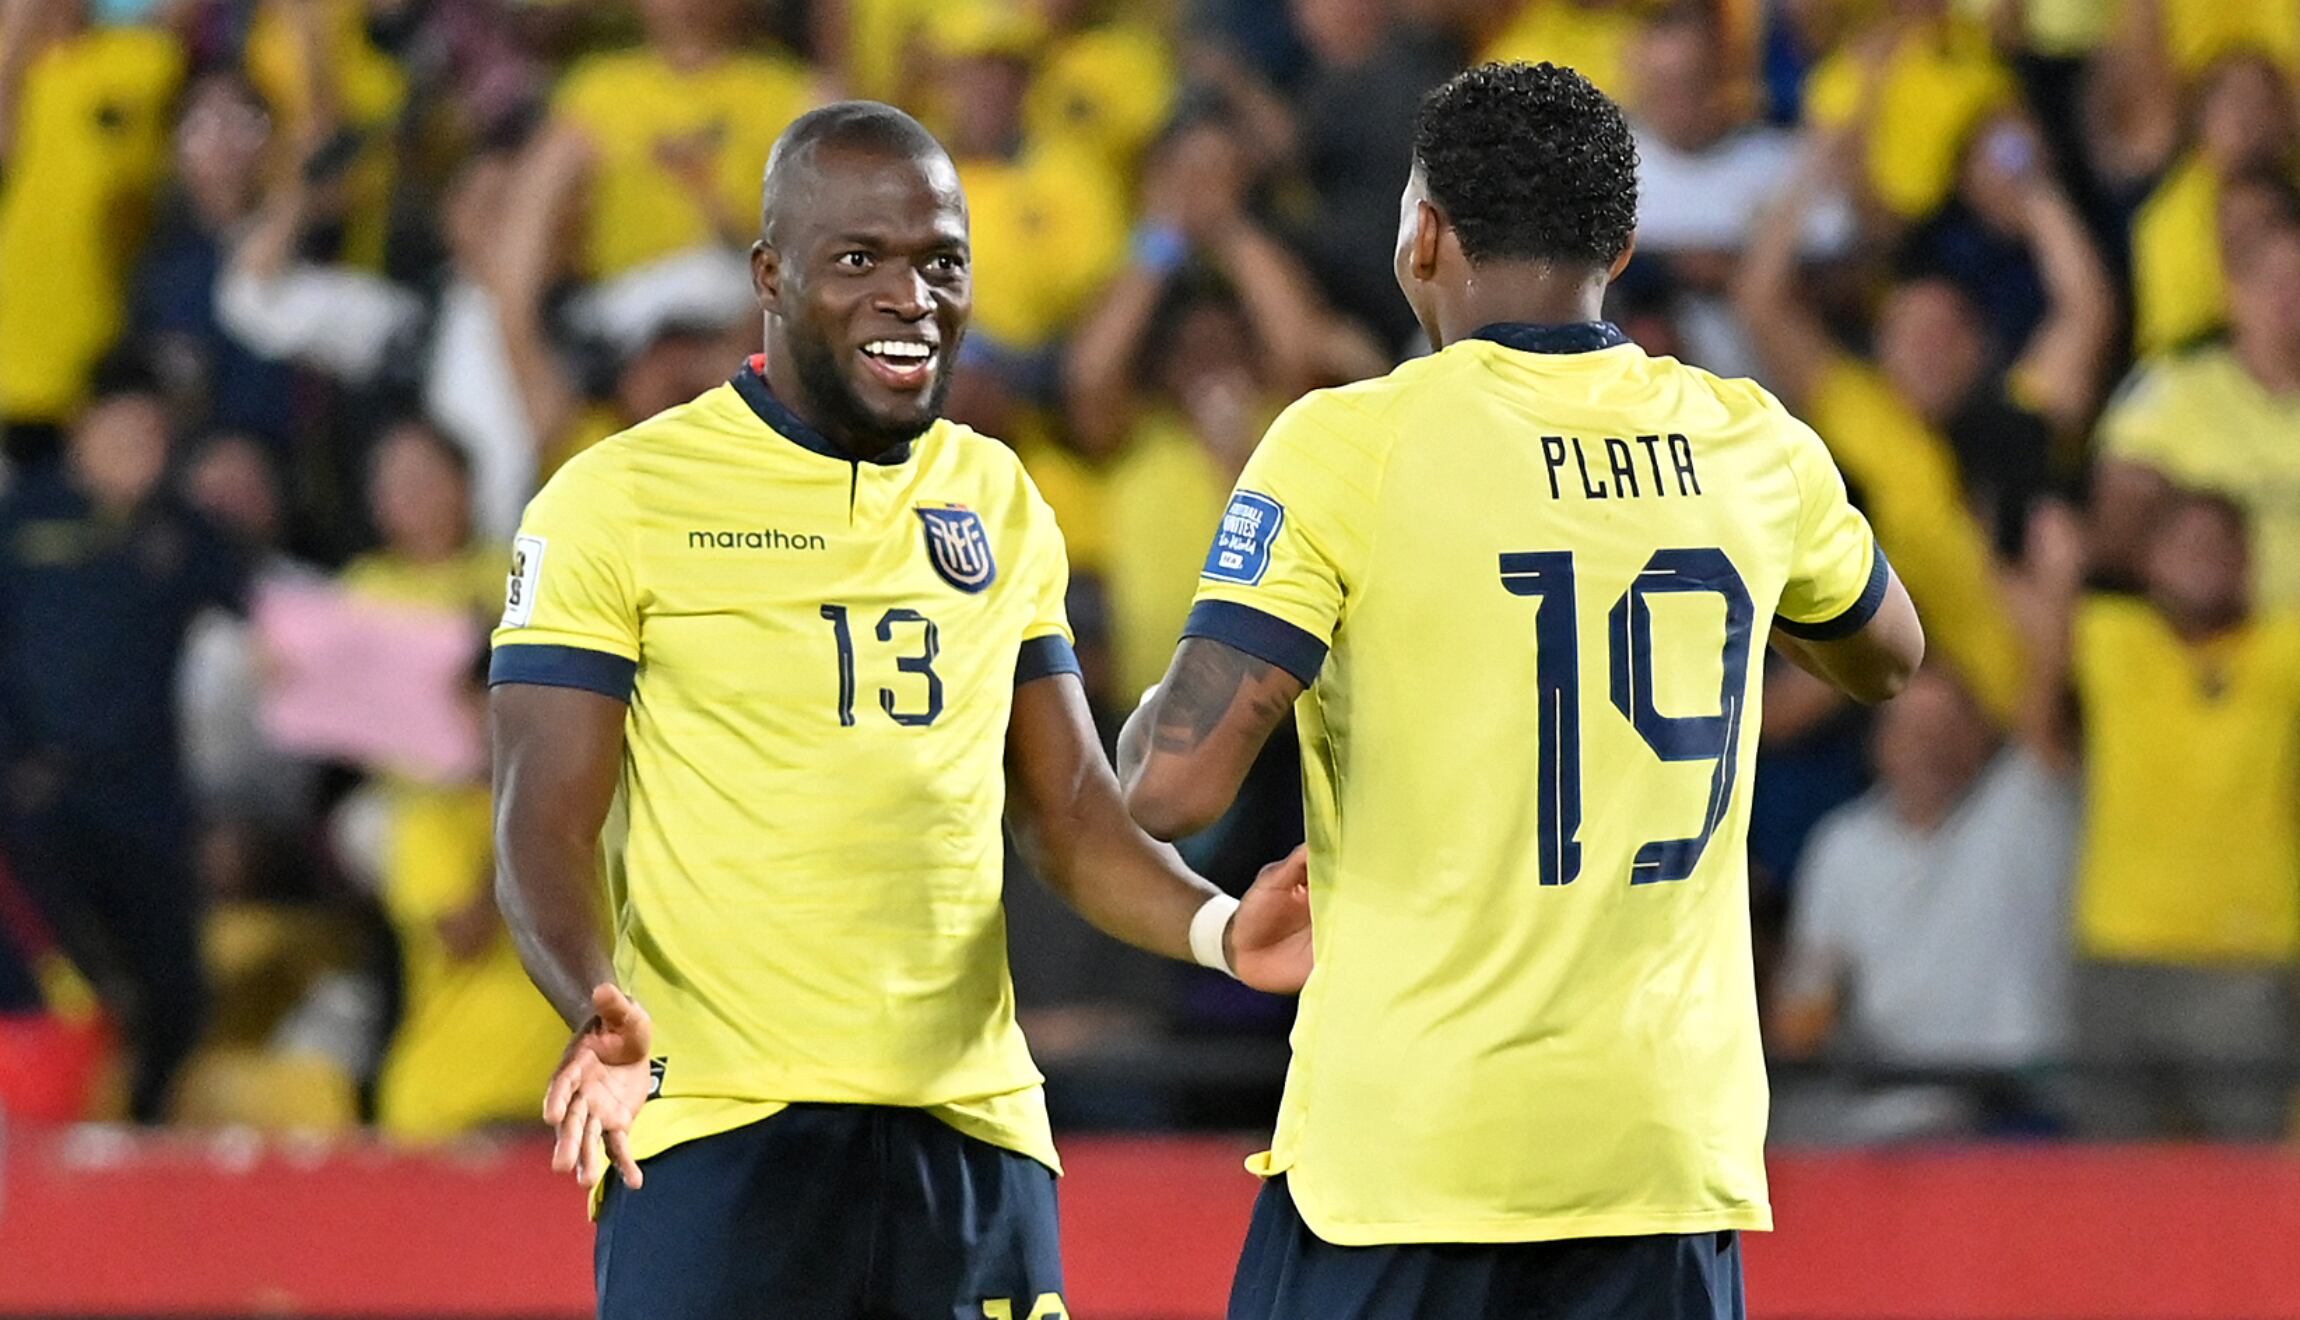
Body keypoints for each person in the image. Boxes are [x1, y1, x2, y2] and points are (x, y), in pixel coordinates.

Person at [1118, 62, 1922, 1318]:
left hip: (1411, 1155)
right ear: (1622, 242)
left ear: (1422, 233)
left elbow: (1170, 788)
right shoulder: (1748, 441)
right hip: (1659, 1156)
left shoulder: (1349, 444)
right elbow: (1888, 653)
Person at [488, 102, 1313, 1320]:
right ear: (771, 274)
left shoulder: (997, 492)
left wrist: (1216, 929)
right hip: (722, 1129)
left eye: (939, 260)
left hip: (969, 1126)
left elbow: (1071, 808)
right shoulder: (618, 499)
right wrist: (592, 1002)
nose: (908, 294)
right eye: (858, 259)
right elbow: (540, 819)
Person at [0, 357, 246, 1122]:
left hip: (146, 794)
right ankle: (60, 1135)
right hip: (42, 797)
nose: (143, 448)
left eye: (155, 434)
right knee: (64, 980)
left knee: (175, 988)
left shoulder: (181, 531)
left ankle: (138, 1128)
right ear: (85, 427)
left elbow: (263, 615)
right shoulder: (24, 522)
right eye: (127, 429)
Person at [2030, 490, 2300, 1139]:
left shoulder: (2285, 651)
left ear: (2248, 563)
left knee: (2250, 1189)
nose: (2201, 561)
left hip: (2247, 963)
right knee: (2111, 1190)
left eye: (2219, 547)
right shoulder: (2108, 636)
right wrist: (2059, 579)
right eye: (2182, 546)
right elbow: (2041, 735)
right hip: (2115, 956)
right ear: (2148, 561)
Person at [1769, 663, 2076, 1144]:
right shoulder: (1842, 845)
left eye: (1947, 727)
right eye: (1911, 729)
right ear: (1879, 740)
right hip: (1895, 1111)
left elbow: (2046, 711)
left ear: (1980, 736)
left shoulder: (2022, 811)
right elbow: (1805, 998)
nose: (1930, 746)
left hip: (2018, 1107)